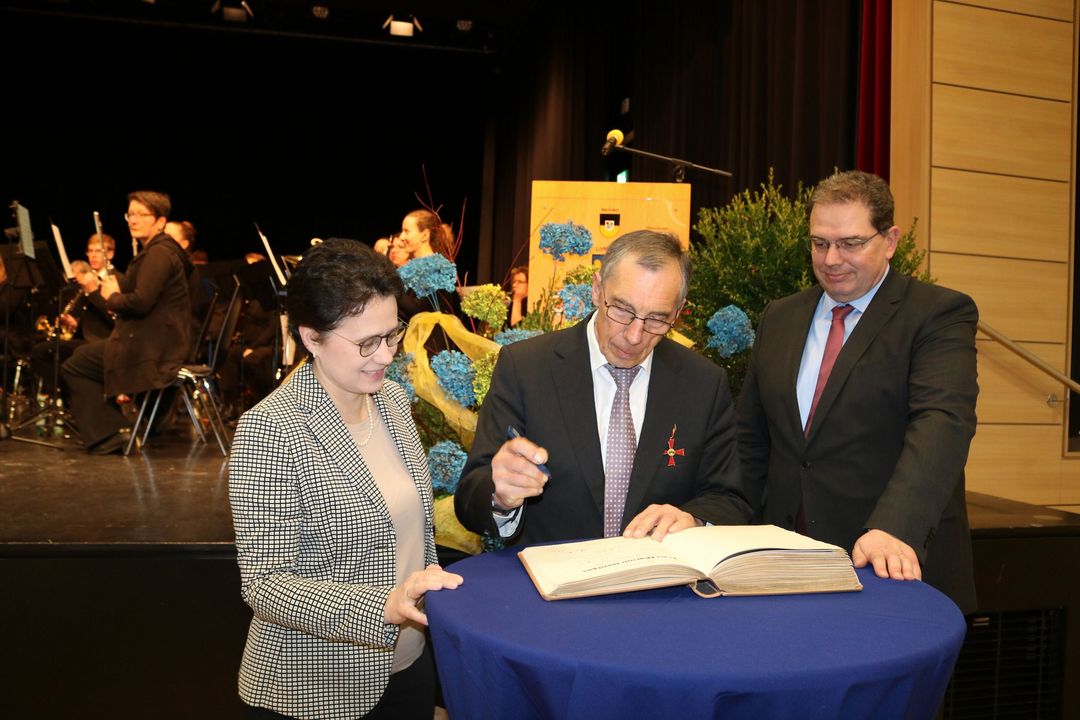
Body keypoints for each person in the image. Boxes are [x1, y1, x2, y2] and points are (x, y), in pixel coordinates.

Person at [229, 238, 462, 720]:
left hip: (409, 666)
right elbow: (265, 583)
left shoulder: (393, 403)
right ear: (311, 337)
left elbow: (410, 532)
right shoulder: (271, 428)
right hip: (315, 688)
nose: (385, 356)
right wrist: (383, 608)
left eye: (392, 334)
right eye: (365, 343)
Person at [736, 170, 979, 612]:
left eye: (850, 243)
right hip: (781, 565)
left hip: (887, 564)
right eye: (819, 243)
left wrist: (895, 527)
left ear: (889, 241)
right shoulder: (780, 317)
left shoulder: (937, 314)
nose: (831, 258)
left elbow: (942, 425)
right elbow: (751, 439)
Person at [455, 230, 749, 545]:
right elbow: (471, 497)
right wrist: (500, 496)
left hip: (655, 586)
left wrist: (694, 520)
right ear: (597, 290)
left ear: (678, 313)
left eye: (656, 320)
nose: (635, 336)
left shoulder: (702, 383)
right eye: (622, 310)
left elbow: (728, 499)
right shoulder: (526, 368)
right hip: (548, 587)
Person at [61, 190, 193, 454]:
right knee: (81, 356)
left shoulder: (158, 254)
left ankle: (110, 433)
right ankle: (114, 428)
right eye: (130, 214)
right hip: (152, 342)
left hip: (151, 349)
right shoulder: (159, 251)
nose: (133, 220)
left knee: (75, 365)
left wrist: (111, 296)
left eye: (141, 215)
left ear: (160, 221)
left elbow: (141, 302)